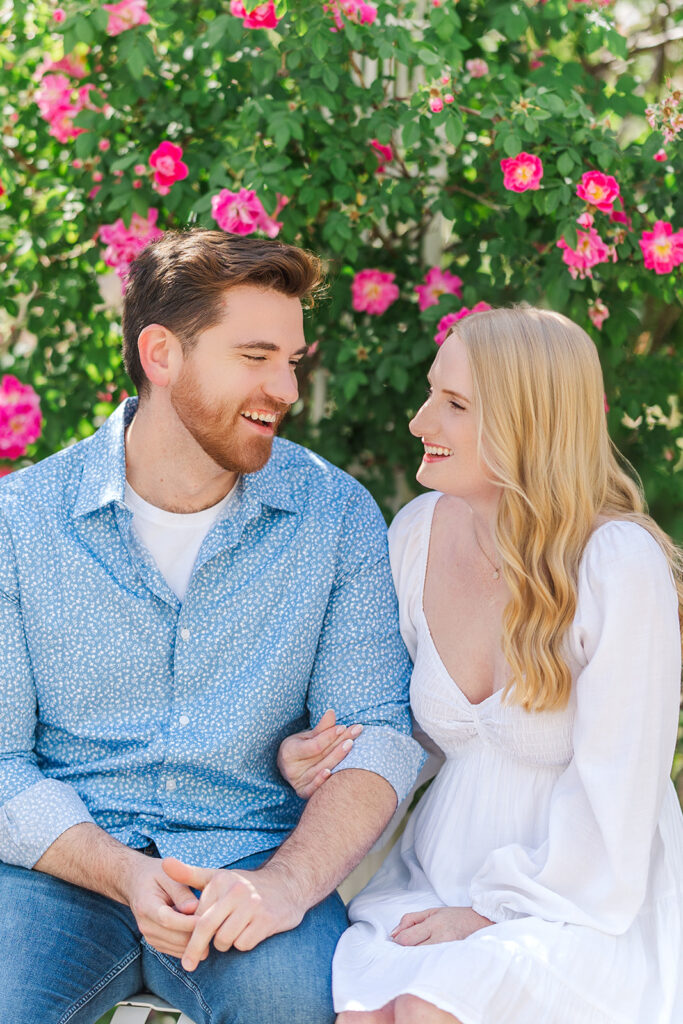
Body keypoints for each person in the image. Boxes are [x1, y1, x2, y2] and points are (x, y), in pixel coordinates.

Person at [0, 229, 425, 1024]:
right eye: (255, 357)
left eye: (291, 360)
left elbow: (376, 736)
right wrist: (124, 872)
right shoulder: (20, 521)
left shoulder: (333, 516)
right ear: (161, 354)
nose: (285, 388)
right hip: (57, 866)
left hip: (251, 863)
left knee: (301, 1011)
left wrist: (286, 885)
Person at [279, 306, 683, 1024]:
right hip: (435, 874)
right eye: (431, 393)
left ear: (528, 424)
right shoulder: (416, 533)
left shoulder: (619, 564)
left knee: (431, 1005)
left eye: (455, 404)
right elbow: (404, 738)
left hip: (581, 899)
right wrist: (318, 757)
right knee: (365, 1011)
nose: (419, 421)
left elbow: (619, 792)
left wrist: (494, 912)